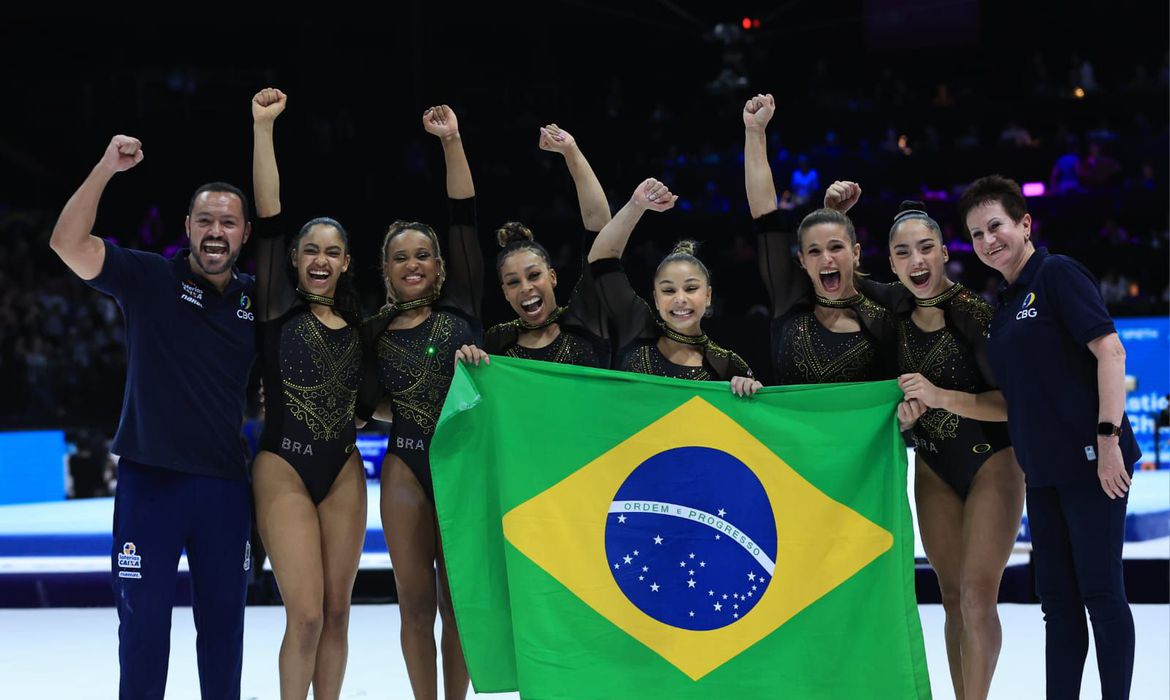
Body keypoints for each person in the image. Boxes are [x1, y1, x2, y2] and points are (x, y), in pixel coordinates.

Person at [50, 135, 255, 698]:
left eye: (229, 222)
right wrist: (105, 168)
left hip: (224, 488)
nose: (216, 232)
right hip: (149, 484)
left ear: (244, 233)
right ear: (187, 226)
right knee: (143, 629)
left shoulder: (258, 302)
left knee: (224, 631)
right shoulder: (148, 278)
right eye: (206, 220)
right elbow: (67, 242)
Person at [960, 174, 1140, 700]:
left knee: (1102, 594)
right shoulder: (1004, 304)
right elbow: (1014, 399)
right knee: (1058, 604)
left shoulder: (1056, 274)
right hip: (1042, 473)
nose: (988, 241)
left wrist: (1107, 442)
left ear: (1024, 223)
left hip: (1092, 464)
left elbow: (1111, 352)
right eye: (975, 234)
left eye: (995, 226)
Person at [358, 104, 486, 700]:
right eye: (400, 256)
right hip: (407, 466)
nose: (413, 264)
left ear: (439, 265)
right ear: (385, 269)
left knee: (457, 604)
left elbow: (462, 213)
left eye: (422, 255)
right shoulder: (375, 330)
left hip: (463, 466)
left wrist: (452, 141)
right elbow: (367, 405)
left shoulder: (463, 304)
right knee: (413, 605)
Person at [877, 199, 1026, 700]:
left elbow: (1012, 403)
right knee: (951, 600)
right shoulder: (890, 315)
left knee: (979, 597)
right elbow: (828, 267)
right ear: (891, 263)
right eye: (903, 253)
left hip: (993, 463)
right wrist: (900, 422)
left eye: (925, 249)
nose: (916, 261)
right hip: (934, 466)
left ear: (944, 252)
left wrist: (941, 398)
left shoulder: (976, 315)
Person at [250, 87, 368, 700]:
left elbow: (386, 397)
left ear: (346, 263)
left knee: (341, 613)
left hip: (343, 466)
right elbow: (268, 214)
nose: (320, 260)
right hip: (283, 465)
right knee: (308, 614)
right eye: (310, 250)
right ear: (293, 259)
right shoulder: (274, 307)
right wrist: (263, 128)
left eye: (332, 252)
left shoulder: (362, 330)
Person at [586, 178, 758, 393]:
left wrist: (751, 392)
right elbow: (601, 260)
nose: (680, 299)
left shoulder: (726, 364)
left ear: (708, 295)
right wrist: (636, 205)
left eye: (691, 288)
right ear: (656, 299)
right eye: (668, 290)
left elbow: (757, 420)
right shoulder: (636, 327)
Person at [484, 124, 611, 366]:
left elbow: (601, 229)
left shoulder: (583, 318)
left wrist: (570, 150)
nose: (525, 287)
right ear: (504, 293)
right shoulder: (497, 341)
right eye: (513, 282)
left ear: (552, 276)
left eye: (533, 275)